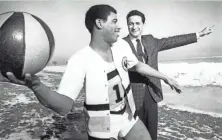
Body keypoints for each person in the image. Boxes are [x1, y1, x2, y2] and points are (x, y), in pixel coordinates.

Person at [0, 5, 181, 140]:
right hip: (101, 129)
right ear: (99, 23)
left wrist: (165, 77)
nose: (119, 27)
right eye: (114, 21)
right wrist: (37, 87)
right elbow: (63, 106)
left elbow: (138, 66)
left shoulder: (121, 46)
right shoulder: (80, 60)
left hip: (129, 118)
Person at [123, 10, 214, 140]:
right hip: (132, 95)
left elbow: (172, 41)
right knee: (134, 136)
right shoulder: (121, 44)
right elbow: (137, 67)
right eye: (130, 24)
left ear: (143, 24)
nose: (134, 27)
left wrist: (198, 34)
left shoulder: (150, 40)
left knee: (151, 134)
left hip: (152, 94)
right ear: (127, 25)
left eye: (137, 23)